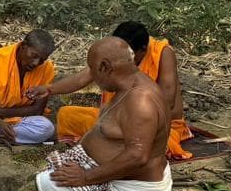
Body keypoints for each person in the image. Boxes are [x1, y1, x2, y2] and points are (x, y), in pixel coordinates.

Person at [35, 37, 175, 191]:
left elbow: (137, 156)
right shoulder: (129, 84)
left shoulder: (140, 101)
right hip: (108, 173)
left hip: (132, 190)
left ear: (105, 67)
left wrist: (86, 177)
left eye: (92, 70)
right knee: (50, 178)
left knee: (49, 184)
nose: (92, 76)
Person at [27, 21, 194, 160]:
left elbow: (167, 101)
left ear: (143, 49)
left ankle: (116, 145)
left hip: (154, 123)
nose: (125, 60)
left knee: (153, 142)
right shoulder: (115, 55)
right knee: (67, 115)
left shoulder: (163, 53)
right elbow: (81, 79)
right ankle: (114, 143)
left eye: (130, 56)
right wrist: (49, 89)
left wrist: (131, 119)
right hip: (116, 118)